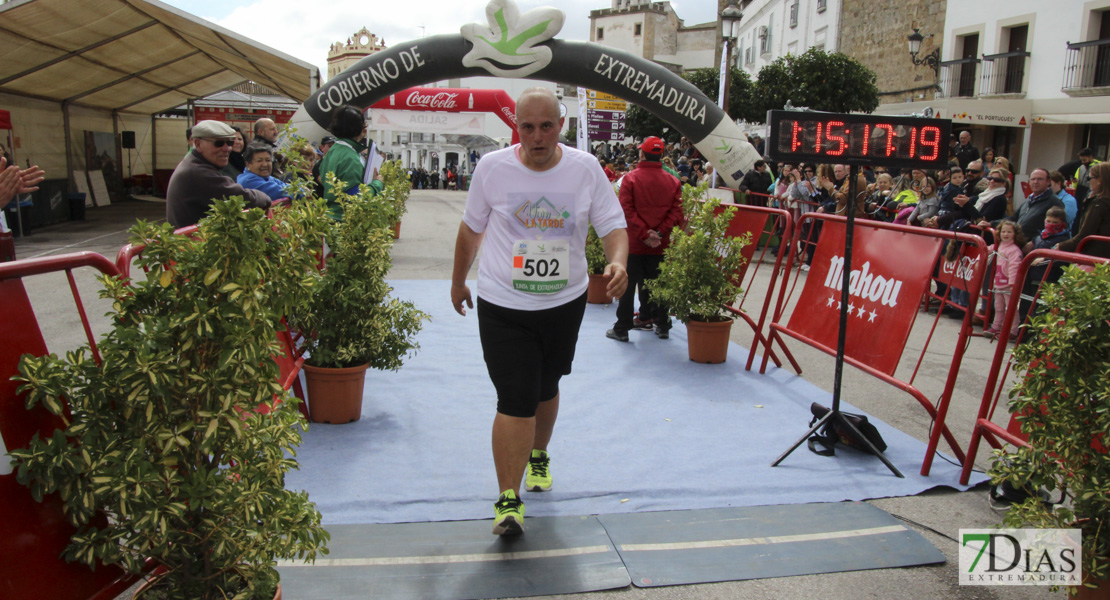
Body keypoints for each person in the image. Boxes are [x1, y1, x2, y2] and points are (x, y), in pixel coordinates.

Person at [450, 87, 628, 537]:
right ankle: (508, 500)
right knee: (516, 395)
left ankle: (540, 453)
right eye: (526, 127)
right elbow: (471, 231)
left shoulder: (586, 170)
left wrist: (619, 261)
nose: (536, 136)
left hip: (563, 302)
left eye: (546, 126)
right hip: (503, 303)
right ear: (516, 128)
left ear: (560, 127)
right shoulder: (492, 168)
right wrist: (457, 281)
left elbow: (612, 226)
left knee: (546, 386)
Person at [606, 136, 682, 342]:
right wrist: (659, 233)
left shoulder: (630, 178)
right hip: (660, 244)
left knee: (628, 286)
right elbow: (677, 214)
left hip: (634, 243)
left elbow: (626, 211)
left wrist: (643, 233)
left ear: (642, 153)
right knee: (658, 284)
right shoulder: (674, 181)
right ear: (662, 155)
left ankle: (622, 328)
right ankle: (662, 324)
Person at [166, 120, 271, 229]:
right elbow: (243, 198)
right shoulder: (199, 173)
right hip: (196, 243)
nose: (227, 149)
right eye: (219, 143)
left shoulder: (194, 164)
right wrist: (265, 197)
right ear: (198, 144)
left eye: (230, 142)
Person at [317, 105, 383, 220]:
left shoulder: (332, 151)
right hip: (345, 221)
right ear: (361, 130)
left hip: (330, 217)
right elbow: (357, 199)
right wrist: (377, 184)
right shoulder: (350, 157)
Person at [984, 220, 1026, 342]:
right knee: (999, 306)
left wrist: (1014, 283)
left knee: (1011, 308)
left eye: (1009, 232)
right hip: (999, 283)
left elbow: (1015, 266)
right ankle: (996, 326)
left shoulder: (1014, 250)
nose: (1005, 234)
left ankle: (1013, 330)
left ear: (1015, 234)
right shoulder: (999, 246)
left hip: (1009, 285)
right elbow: (991, 249)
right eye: (1003, 231)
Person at [1058, 161, 1110, 258]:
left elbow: (1085, 234)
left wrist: (1060, 247)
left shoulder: (1099, 204)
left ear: (1100, 180)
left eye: (1089, 178)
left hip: (1094, 259)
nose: (1088, 181)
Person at [1012, 168, 1063, 241]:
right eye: (1033, 179)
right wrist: (991, 224)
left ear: (1048, 182)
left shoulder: (1054, 202)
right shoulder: (1028, 200)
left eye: (1040, 179)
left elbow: (1056, 229)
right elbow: (1013, 218)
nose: (1036, 182)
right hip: (1018, 242)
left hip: (1035, 247)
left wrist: (1034, 242)